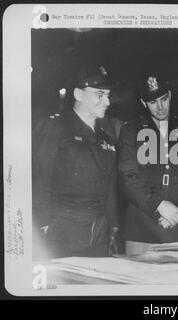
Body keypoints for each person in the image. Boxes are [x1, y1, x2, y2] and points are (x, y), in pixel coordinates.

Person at [32, 65, 119, 258]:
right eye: (99, 94)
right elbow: (41, 178)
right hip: (64, 229)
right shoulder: (55, 128)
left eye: (108, 95)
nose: (107, 101)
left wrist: (113, 225)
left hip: (100, 230)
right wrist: (45, 225)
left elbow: (110, 186)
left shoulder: (107, 139)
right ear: (79, 94)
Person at [118, 74, 178, 244]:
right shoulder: (130, 131)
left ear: (170, 95)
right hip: (142, 228)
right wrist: (159, 205)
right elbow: (128, 177)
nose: (160, 107)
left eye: (164, 99)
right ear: (144, 103)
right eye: (153, 102)